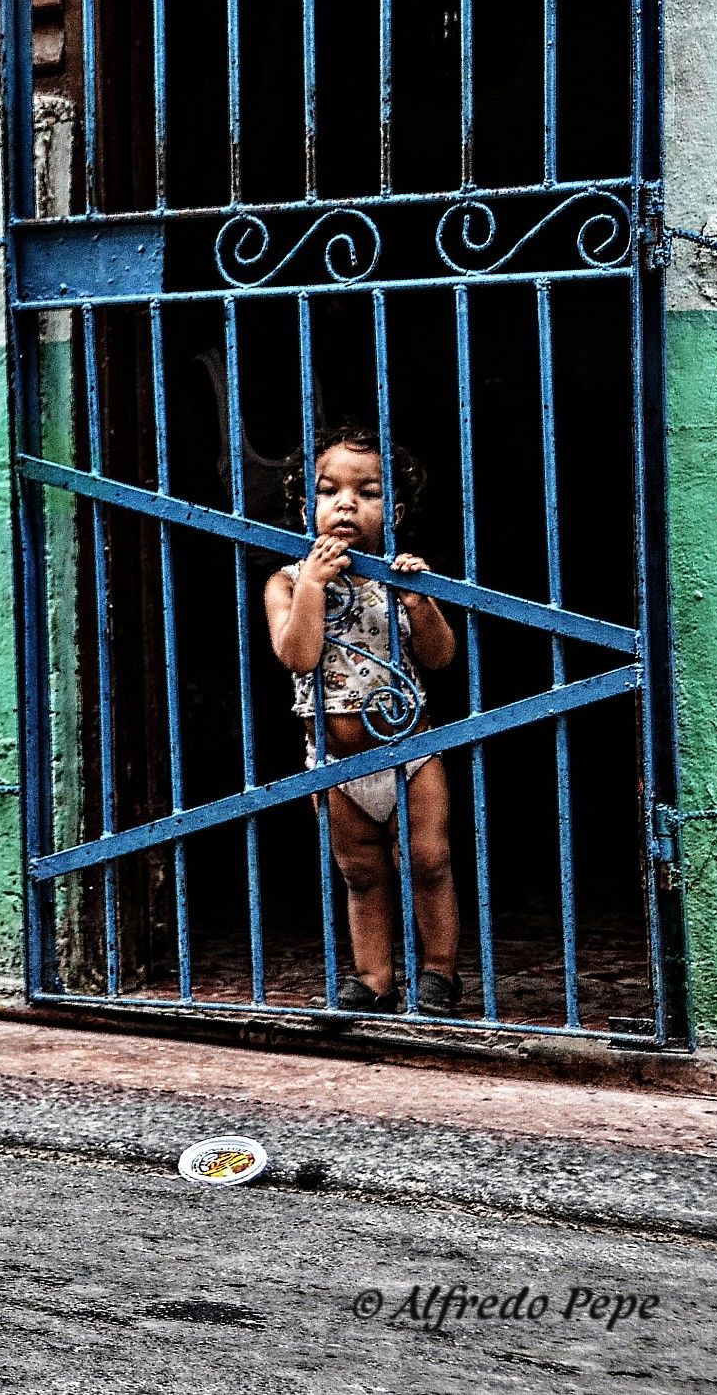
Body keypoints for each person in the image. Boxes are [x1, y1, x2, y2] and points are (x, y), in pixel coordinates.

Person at [263, 426, 461, 1018]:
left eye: (367, 492)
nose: (346, 503)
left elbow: (441, 656)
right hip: (335, 759)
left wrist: (420, 600)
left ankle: (440, 973)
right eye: (330, 491)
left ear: (393, 510)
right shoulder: (287, 581)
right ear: (307, 508)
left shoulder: (398, 578)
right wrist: (313, 588)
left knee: (428, 860)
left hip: (411, 747)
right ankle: (374, 977)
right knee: (360, 871)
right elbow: (296, 654)